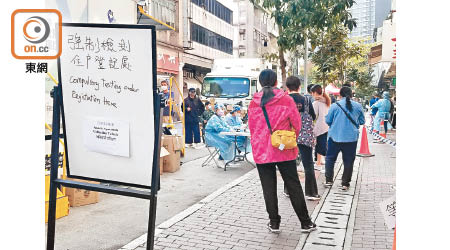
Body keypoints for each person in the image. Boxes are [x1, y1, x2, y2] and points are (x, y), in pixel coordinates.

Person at [248, 69, 316, 234]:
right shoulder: (285, 99)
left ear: (260, 83)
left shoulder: (253, 102)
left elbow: (252, 127)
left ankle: (274, 223)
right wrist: (290, 138)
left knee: (268, 188)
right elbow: (297, 124)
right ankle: (305, 223)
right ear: (277, 82)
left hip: (262, 151)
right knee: (293, 185)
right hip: (284, 149)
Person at [284, 76, 320, 201]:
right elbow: (313, 116)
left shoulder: (284, 99)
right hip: (304, 136)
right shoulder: (306, 100)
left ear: (287, 87)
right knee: (308, 164)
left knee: (289, 163)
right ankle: (311, 193)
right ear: (299, 86)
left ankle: (288, 190)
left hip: (288, 137)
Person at [324, 86, 365, 190]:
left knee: (330, 159)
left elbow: (328, 121)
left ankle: (328, 181)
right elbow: (362, 121)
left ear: (340, 95)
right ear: (351, 95)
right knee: (348, 161)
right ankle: (345, 183)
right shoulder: (358, 106)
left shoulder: (334, 106)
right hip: (351, 139)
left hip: (334, 137)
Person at [311, 84, 331, 171]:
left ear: (315, 92)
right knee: (322, 143)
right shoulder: (326, 101)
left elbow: (313, 116)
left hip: (319, 127)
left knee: (319, 145)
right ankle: (321, 160)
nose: (312, 94)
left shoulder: (316, 103)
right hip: (326, 126)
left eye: (312, 92)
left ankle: (318, 163)